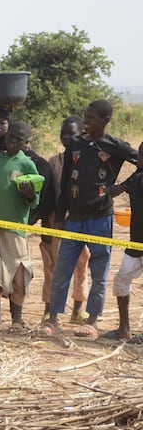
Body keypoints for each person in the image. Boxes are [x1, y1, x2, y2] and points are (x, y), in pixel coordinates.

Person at [45, 100, 139, 338]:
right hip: (74, 218)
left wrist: (125, 185)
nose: (86, 121)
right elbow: (66, 180)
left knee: (99, 271)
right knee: (62, 270)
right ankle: (53, 319)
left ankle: (93, 321)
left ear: (105, 120)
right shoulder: (76, 143)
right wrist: (60, 213)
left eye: (91, 117)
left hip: (100, 217)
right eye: (85, 117)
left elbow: (141, 162)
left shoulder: (115, 145)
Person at [0, 122, 40, 331]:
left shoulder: (27, 164)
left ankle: (17, 319)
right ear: (6, 137)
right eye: (11, 136)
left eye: (19, 139)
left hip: (16, 229)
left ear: (25, 143)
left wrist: (30, 194)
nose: (13, 141)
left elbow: (35, 200)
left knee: (18, 273)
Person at [42, 116, 89, 323]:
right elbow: (48, 195)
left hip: (80, 220)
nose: (67, 137)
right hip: (55, 221)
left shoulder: (89, 161)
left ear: (83, 134)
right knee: (52, 265)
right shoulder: (54, 162)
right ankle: (49, 309)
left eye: (73, 134)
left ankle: (78, 310)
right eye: (64, 133)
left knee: (82, 262)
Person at [104, 140, 143, 340]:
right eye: (140, 156)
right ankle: (124, 329)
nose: (140, 160)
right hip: (135, 242)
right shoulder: (136, 178)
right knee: (121, 280)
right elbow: (116, 190)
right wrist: (105, 186)